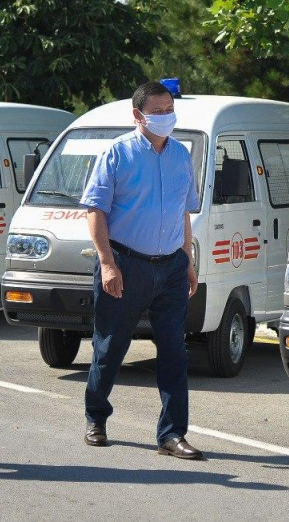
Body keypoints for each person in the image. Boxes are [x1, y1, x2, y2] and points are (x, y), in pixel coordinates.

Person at [79, 81, 202, 460]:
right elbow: (95, 211)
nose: (167, 117)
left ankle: (171, 434)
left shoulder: (182, 155)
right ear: (138, 115)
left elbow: (183, 210)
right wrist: (107, 263)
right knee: (111, 347)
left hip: (170, 267)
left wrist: (187, 260)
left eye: (170, 110)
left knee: (174, 353)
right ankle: (96, 418)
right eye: (158, 111)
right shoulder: (117, 154)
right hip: (125, 264)